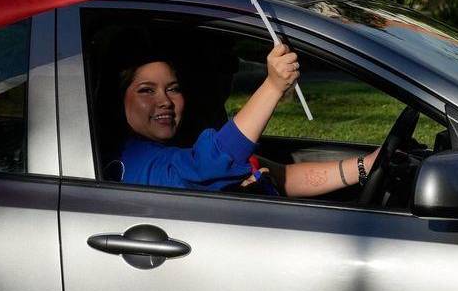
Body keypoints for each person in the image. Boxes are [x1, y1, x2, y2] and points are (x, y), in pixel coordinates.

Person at [114, 43, 380, 196]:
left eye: (173, 89)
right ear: (119, 98)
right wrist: (273, 86)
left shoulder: (183, 146)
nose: (165, 100)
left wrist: (364, 166)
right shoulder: (136, 162)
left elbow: (285, 176)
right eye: (146, 91)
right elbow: (208, 164)